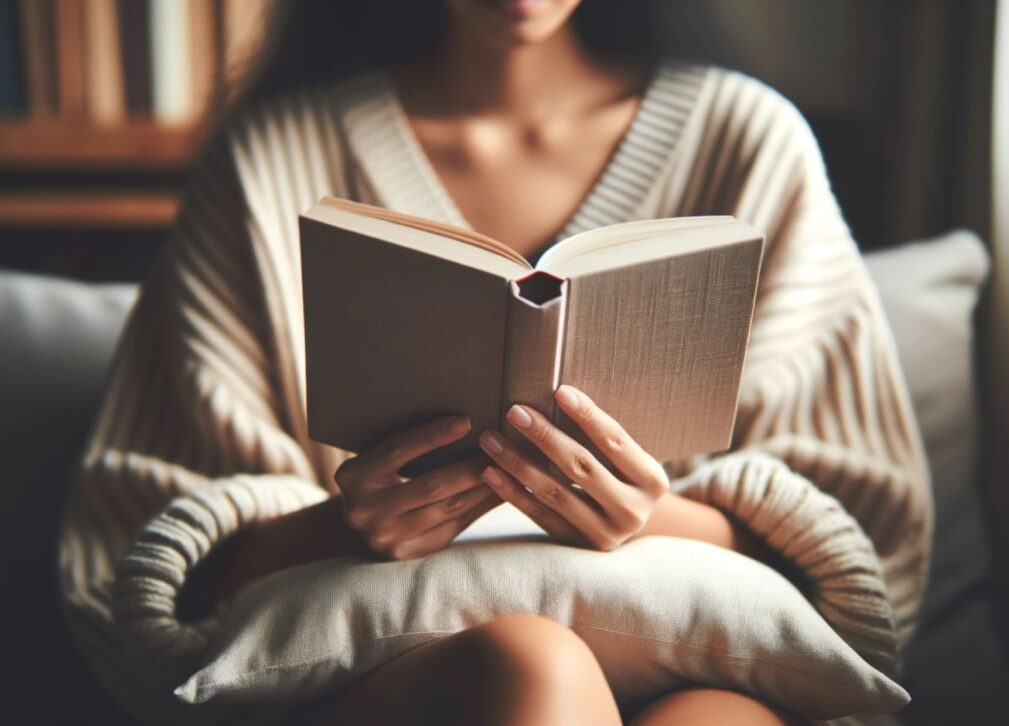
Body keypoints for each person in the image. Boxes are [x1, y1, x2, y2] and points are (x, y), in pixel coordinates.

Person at [57, 0, 933, 724]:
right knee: (530, 671)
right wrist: (350, 525)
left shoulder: (747, 140)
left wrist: (647, 515)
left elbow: (863, 547)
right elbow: (139, 554)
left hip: (707, 672)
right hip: (403, 679)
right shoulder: (269, 162)